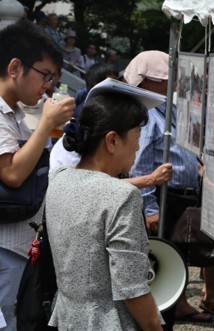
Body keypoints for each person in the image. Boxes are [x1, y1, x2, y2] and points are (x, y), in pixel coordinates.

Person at [46, 92, 163, 330]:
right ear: (112, 141)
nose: (138, 146)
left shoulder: (57, 179)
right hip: (109, 321)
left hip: (68, 317)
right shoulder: (121, 195)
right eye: (136, 136)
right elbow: (131, 288)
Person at [126, 51, 213, 327]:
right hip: (163, 199)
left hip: (179, 198)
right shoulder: (148, 113)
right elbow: (141, 166)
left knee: (175, 266)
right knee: (161, 270)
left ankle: (169, 319)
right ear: (148, 81)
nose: (172, 82)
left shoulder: (170, 108)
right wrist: (150, 209)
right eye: (165, 77)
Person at [0, 20, 74, 331]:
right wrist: (46, 124)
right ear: (15, 67)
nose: (50, 87)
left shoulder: (13, 111)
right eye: (46, 75)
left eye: (54, 79)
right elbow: (12, 174)